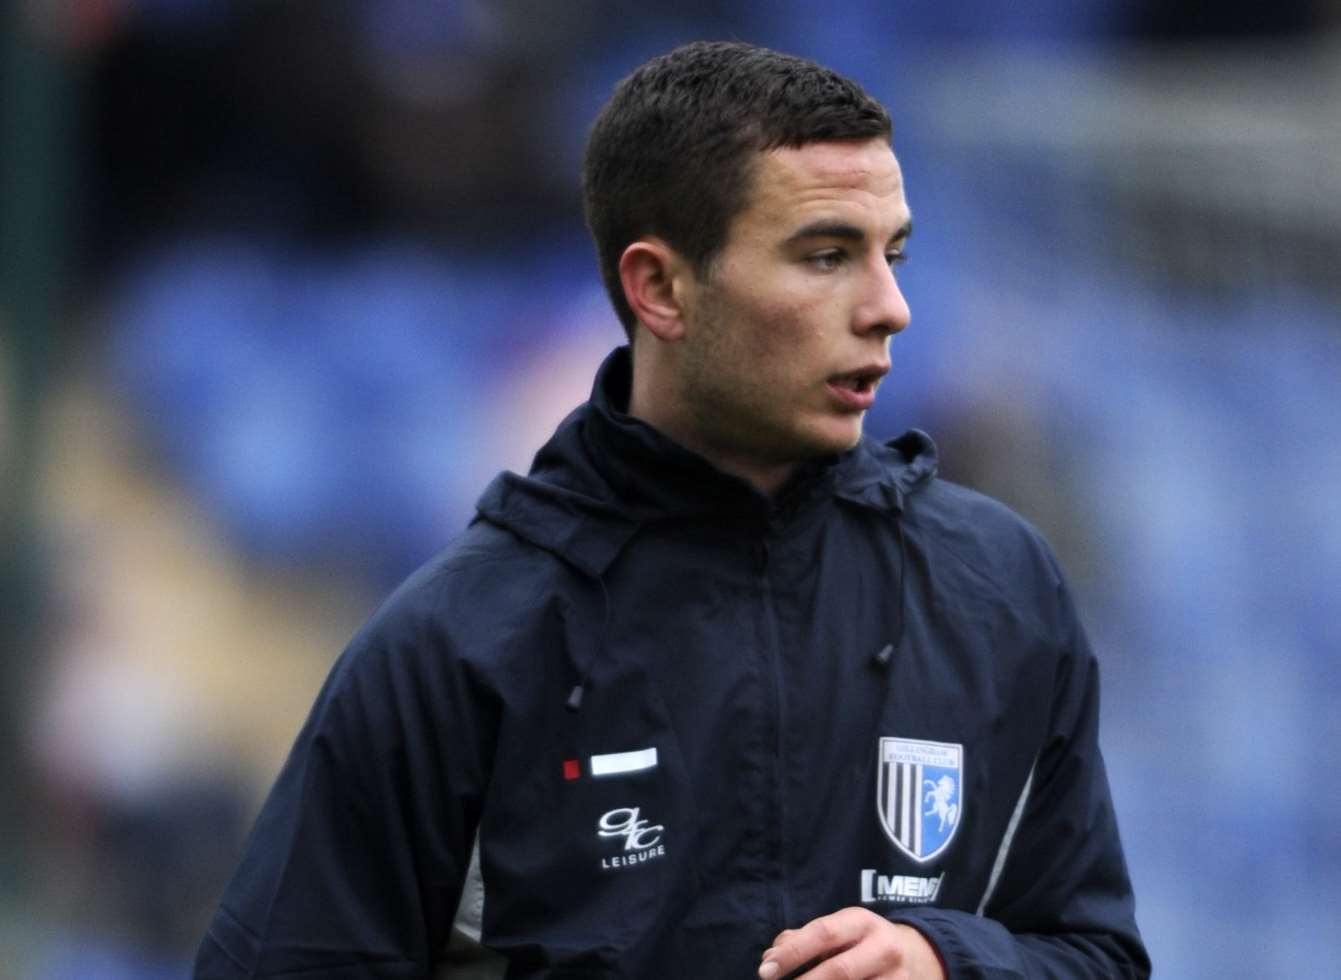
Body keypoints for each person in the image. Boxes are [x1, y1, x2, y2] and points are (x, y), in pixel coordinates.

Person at [194, 41, 1149, 979]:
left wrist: (946, 963)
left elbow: (1095, 953)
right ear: (659, 288)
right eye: (825, 256)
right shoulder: (459, 644)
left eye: (890, 254)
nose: (890, 306)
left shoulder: (1000, 590)